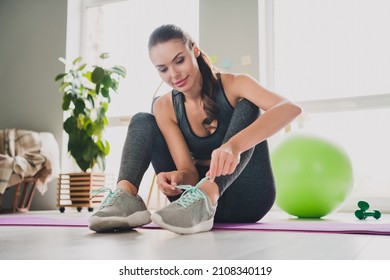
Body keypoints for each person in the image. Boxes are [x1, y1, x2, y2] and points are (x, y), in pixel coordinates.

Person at [88, 24, 301, 234]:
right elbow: (189, 173)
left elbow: (290, 108)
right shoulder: (165, 106)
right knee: (142, 119)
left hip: (247, 199)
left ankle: (207, 196)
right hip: (188, 204)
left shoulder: (236, 84)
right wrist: (177, 178)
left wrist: (234, 146)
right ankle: (126, 197)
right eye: (163, 69)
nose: (174, 74)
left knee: (248, 104)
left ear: (195, 50)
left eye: (179, 60)